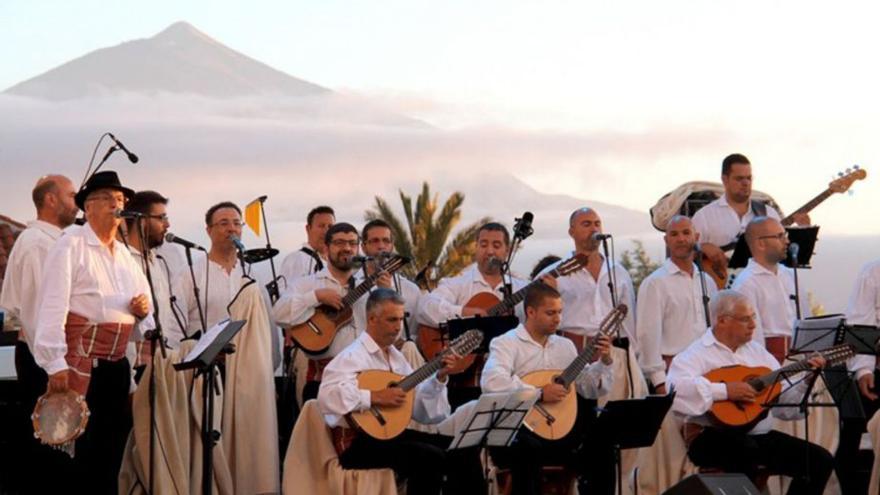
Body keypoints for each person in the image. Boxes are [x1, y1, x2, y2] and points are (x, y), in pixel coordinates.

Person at [32, 171, 153, 494]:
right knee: (80, 455)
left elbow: (144, 310)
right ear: (90, 206)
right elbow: (52, 305)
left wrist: (142, 310)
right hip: (82, 362)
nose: (119, 205)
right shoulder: (70, 245)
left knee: (111, 451)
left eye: (121, 200)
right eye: (111, 199)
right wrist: (54, 362)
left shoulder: (125, 254)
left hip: (116, 364)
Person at [318, 288, 484, 495]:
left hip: (390, 436)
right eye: (391, 320)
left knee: (463, 447)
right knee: (429, 457)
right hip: (356, 443)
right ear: (371, 319)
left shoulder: (397, 358)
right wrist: (374, 397)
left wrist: (439, 378)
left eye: (400, 319)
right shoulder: (352, 356)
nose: (398, 327)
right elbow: (327, 397)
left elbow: (424, 413)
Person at [667, 290, 833, 495]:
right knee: (746, 451)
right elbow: (676, 390)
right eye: (745, 319)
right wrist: (725, 391)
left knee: (819, 460)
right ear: (722, 321)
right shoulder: (696, 354)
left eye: (753, 317)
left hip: (758, 435)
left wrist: (805, 381)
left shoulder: (759, 354)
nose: (754, 325)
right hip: (710, 436)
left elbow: (784, 407)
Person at [481, 283, 616, 495]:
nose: (557, 319)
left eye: (560, 312)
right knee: (529, 449)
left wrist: (605, 360)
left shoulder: (565, 347)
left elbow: (589, 389)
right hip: (516, 432)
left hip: (561, 429)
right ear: (530, 312)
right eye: (550, 313)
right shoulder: (506, 343)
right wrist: (539, 393)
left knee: (603, 444)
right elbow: (492, 383)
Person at [0, 174, 78, 490]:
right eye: (72, 196)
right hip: (40, 358)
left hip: (46, 356)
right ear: (50, 200)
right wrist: (53, 363)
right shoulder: (36, 244)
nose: (77, 203)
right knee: (48, 451)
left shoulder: (55, 242)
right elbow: (36, 311)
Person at [418, 222, 527, 406]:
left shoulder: (519, 288)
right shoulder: (459, 284)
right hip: (463, 381)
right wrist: (465, 312)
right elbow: (426, 307)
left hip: (505, 382)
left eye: (496, 245)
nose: (490, 251)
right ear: (476, 248)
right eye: (483, 245)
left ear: (507, 251)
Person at [273, 222, 361, 402]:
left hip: (362, 377)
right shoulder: (307, 284)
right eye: (339, 243)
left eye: (352, 243)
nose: (347, 248)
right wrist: (315, 296)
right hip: (321, 377)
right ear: (326, 249)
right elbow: (278, 315)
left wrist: (385, 291)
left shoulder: (367, 287)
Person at [692, 153, 808, 282]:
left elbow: (783, 253)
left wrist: (804, 230)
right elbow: (686, 251)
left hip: (763, 286)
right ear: (725, 179)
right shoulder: (705, 216)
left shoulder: (768, 214)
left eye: (749, 178)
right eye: (739, 178)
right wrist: (703, 247)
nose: (745, 183)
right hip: (721, 287)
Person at [636, 215, 716, 393]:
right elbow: (647, 335)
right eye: (674, 234)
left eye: (686, 233)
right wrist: (659, 382)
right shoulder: (655, 283)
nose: (681, 239)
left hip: (708, 372)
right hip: (672, 373)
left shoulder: (707, 281)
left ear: (697, 237)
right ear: (666, 240)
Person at [121, 190, 188, 370]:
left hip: (161, 360)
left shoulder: (157, 260)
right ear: (142, 221)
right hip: (133, 366)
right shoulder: (122, 259)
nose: (167, 224)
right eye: (161, 218)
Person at [730, 216, 807, 362]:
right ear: (761, 243)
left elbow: (805, 318)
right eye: (779, 236)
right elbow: (753, 337)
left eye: (785, 235)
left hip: (801, 356)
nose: (787, 241)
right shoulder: (747, 283)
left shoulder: (790, 274)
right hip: (773, 359)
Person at [836, 258, 880, 494]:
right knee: (854, 436)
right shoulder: (873, 271)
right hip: (875, 370)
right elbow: (860, 323)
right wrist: (863, 369)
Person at [179, 201, 248, 334]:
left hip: (245, 353)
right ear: (209, 230)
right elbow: (174, 324)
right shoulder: (191, 273)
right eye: (224, 223)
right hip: (206, 353)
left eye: (237, 223)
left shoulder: (250, 272)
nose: (232, 228)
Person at [355, 219, 420, 344]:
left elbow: (415, 334)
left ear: (392, 246)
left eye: (386, 241)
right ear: (363, 247)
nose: (381, 246)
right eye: (375, 241)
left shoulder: (411, 290)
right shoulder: (351, 286)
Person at [280, 205, 335, 284]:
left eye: (330, 226)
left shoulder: (334, 263)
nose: (326, 231)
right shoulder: (297, 259)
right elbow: (287, 295)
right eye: (321, 226)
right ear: (308, 229)